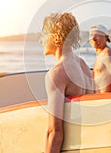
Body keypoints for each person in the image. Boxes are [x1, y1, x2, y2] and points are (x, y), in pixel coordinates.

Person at [40, 12, 93, 153]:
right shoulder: (84, 66)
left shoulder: (57, 74)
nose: (41, 40)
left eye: (44, 34)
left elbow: (55, 132)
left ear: (55, 36)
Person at [89, 25, 111, 93]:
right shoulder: (100, 54)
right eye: (91, 35)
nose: (93, 38)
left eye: (97, 35)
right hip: (99, 99)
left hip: (106, 100)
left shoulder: (107, 53)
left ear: (106, 37)